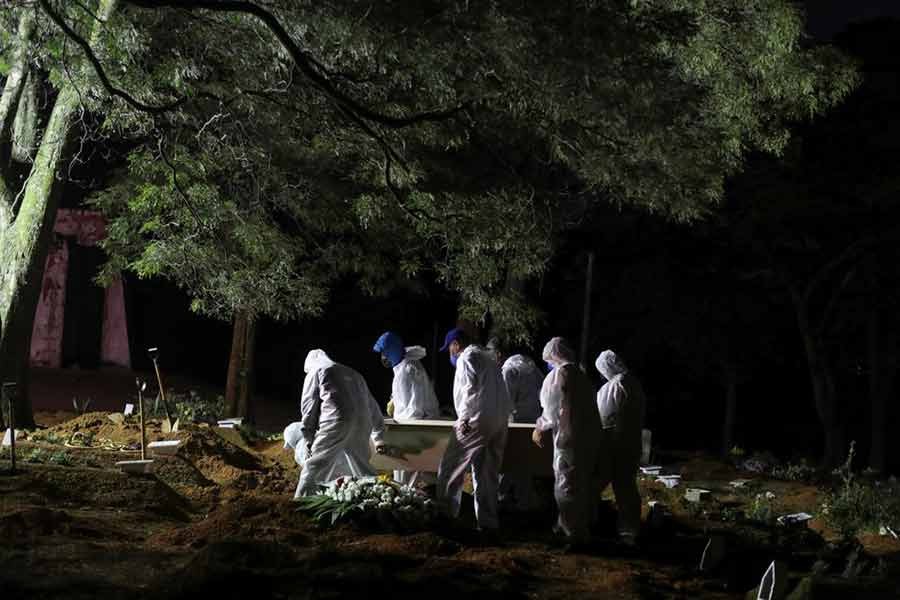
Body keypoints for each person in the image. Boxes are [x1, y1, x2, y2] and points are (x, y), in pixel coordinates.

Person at [436, 328, 511, 531]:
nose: (450, 353)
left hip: (476, 419)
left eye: (450, 348)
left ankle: (445, 519)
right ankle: (488, 525)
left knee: (450, 468)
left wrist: (463, 418)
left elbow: (469, 389)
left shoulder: (466, 357)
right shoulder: (488, 358)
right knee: (486, 475)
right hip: (499, 421)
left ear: (456, 345)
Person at [532, 337, 601, 546]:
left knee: (565, 486)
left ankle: (573, 535)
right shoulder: (581, 375)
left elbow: (551, 409)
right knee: (580, 485)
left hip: (568, 438)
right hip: (588, 437)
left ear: (552, 356)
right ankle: (571, 527)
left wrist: (540, 427)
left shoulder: (558, 375)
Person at [294, 349, 386, 499]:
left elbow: (308, 407)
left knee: (314, 465)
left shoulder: (317, 370)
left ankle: (301, 501)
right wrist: (379, 436)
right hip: (363, 422)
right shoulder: (355, 374)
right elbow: (373, 406)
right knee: (361, 465)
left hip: (337, 420)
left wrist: (308, 437)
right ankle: (379, 497)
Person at [373, 331, 440, 485]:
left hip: (413, 429)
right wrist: (394, 400)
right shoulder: (405, 365)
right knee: (409, 475)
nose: (383, 357)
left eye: (384, 352)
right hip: (414, 427)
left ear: (392, 351)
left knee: (406, 477)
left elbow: (414, 408)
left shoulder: (408, 370)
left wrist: (401, 432)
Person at [594, 349, 646, 545]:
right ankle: (630, 529)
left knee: (606, 484)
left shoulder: (614, 386)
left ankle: (622, 531)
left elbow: (604, 416)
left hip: (614, 444)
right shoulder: (633, 383)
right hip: (631, 443)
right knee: (626, 487)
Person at [487, 337, 542, 510]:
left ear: (498, 354)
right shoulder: (531, 366)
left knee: (508, 462)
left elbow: (505, 403)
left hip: (515, 423)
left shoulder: (508, 371)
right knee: (523, 465)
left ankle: (499, 499)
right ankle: (524, 503)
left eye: (490, 354)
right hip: (533, 423)